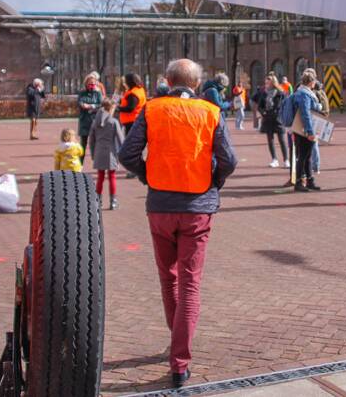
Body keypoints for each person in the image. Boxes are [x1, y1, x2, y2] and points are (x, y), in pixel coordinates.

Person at [118, 58, 238, 388]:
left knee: (167, 276)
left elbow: (127, 155)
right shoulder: (210, 112)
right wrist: (214, 180)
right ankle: (180, 361)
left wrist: (148, 176)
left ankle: (177, 342)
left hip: (161, 205)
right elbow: (229, 160)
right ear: (196, 84)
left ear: (168, 81)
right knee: (190, 282)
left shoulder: (153, 109)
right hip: (197, 205)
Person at [89, 98, 125, 209]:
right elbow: (121, 140)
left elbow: (91, 140)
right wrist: (123, 153)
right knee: (112, 176)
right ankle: (113, 201)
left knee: (100, 177)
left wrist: (93, 154)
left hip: (99, 151)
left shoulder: (95, 122)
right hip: (111, 152)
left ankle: (98, 201)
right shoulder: (113, 122)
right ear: (111, 109)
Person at [290, 70, 322, 191]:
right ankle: (299, 182)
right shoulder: (304, 94)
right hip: (304, 129)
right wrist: (310, 131)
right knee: (303, 156)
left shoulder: (301, 92)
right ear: (311, 82)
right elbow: (305, 114)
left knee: (306, 156)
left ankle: (309, 180)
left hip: (302, 128)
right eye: (314, 81)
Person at [257, 75, 288, 168]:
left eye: (268, 83)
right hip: (268, 119)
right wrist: (263, 112)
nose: (266, 85)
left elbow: (284, 105)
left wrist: (279, 113)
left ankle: (286, 160)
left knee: (282, 139)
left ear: (273, 83)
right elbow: (260, 106)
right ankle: (274, 159)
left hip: (278, 119)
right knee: (270, 140)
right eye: (266, 83)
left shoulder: (280, 93)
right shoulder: (264, 93)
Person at [77, 74, 103, 161]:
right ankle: (80, 163)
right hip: (84, 120)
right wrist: (83, 105)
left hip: (95, 120)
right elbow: (80, 103)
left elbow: (101, 104)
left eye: (93, 83)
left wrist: (92, 106)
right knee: (83, 143)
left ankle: (96, 161)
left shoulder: (98, 93)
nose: (92, 85)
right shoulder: (82, 93)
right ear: (86, 83)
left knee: (95, 142)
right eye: (90, 83)